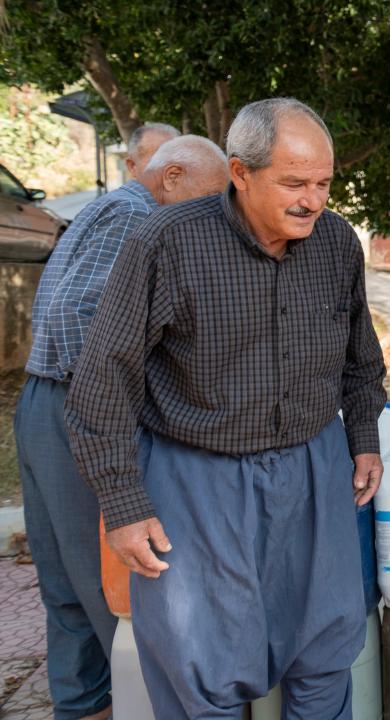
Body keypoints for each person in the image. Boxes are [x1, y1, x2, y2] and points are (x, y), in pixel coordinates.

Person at [65, 98, 387, 718]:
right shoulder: (167, 242)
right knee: (201, 665)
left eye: (323, 183)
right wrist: (124, 504)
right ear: (240, 173)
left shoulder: (338, 243)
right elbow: (105, 377)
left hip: (313, 466)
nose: (312, 200)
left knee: (326, 646)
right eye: (293, 182)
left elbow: (360, 354)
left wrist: (364, 433)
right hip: (197, 475)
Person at [15, 134, 227, 720]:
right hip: (77, 409)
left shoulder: (112, 209)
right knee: (109, 592)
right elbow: (83, 318)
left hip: (49, 403)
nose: (209, 217)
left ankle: (82, 706)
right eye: (208, 200)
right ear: (173, 176)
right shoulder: (135, 217)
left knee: (68, 591)